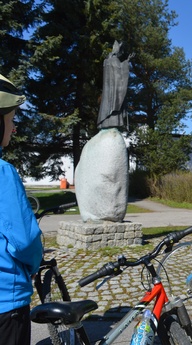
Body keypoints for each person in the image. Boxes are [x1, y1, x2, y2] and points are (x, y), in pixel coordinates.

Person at [0, 74, 43, 345]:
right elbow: (25, 240)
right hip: (6, 303)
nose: (14, 128)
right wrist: (35, 263)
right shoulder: (4, 173)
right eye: (11, 119)